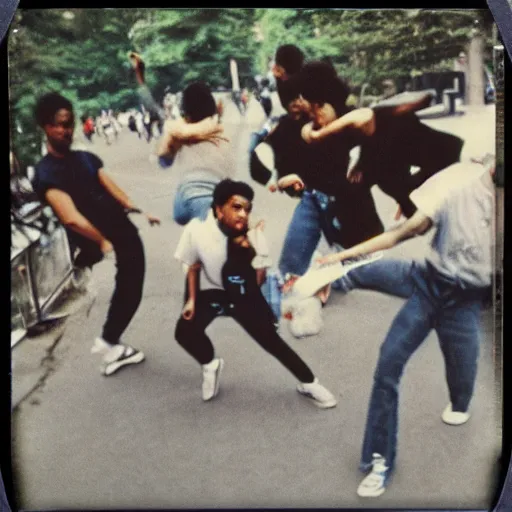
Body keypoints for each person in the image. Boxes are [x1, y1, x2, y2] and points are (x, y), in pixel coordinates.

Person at [318, 155, 496, 497]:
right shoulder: (458, 186)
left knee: (462, 385)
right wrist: (341, 258)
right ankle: (378, 460)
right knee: (388, 365)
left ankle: (459, 400)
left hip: (468, 302)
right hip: (428, 283)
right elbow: (401, 233)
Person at [174, 178, 338, 407]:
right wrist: (191, 300)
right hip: (212, 290)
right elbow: (192, 266)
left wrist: (250, 256)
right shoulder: (197, 230)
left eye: (247, 209)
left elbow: (259, 279)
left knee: (271, 340)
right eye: (236, 207)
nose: (243, 214)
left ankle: (309, 382)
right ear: (219, 209)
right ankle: (210, 364)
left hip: (242, 291)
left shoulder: (253, 237)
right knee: (184, 332)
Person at [32, 92, 161, 376]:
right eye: (58, 124)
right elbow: (71, 217)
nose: (66, 130)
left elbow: (113, 189)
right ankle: (109, 342)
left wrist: (138, 209)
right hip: (95, 239)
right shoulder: (46, 173)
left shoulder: (87, 158)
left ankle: (110, 341)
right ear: (45, 126)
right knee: (129, 287)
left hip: (122, 230)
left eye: (69, 123)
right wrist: (103, 242)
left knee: (132, 285)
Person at [298, 61, 464, 219]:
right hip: (426, 170)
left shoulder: (365, 118)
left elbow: (364, 117)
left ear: (324, 105)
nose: (315, 119)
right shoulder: (354, 133)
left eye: (315, 110)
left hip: (450, 157)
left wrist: (318, 134)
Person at [129, 52, 230, 225]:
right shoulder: (217, 126)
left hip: (186, 200)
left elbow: (151, 106)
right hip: (222, 197)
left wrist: (140, 75)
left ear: (186, 113)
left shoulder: (178, 129)